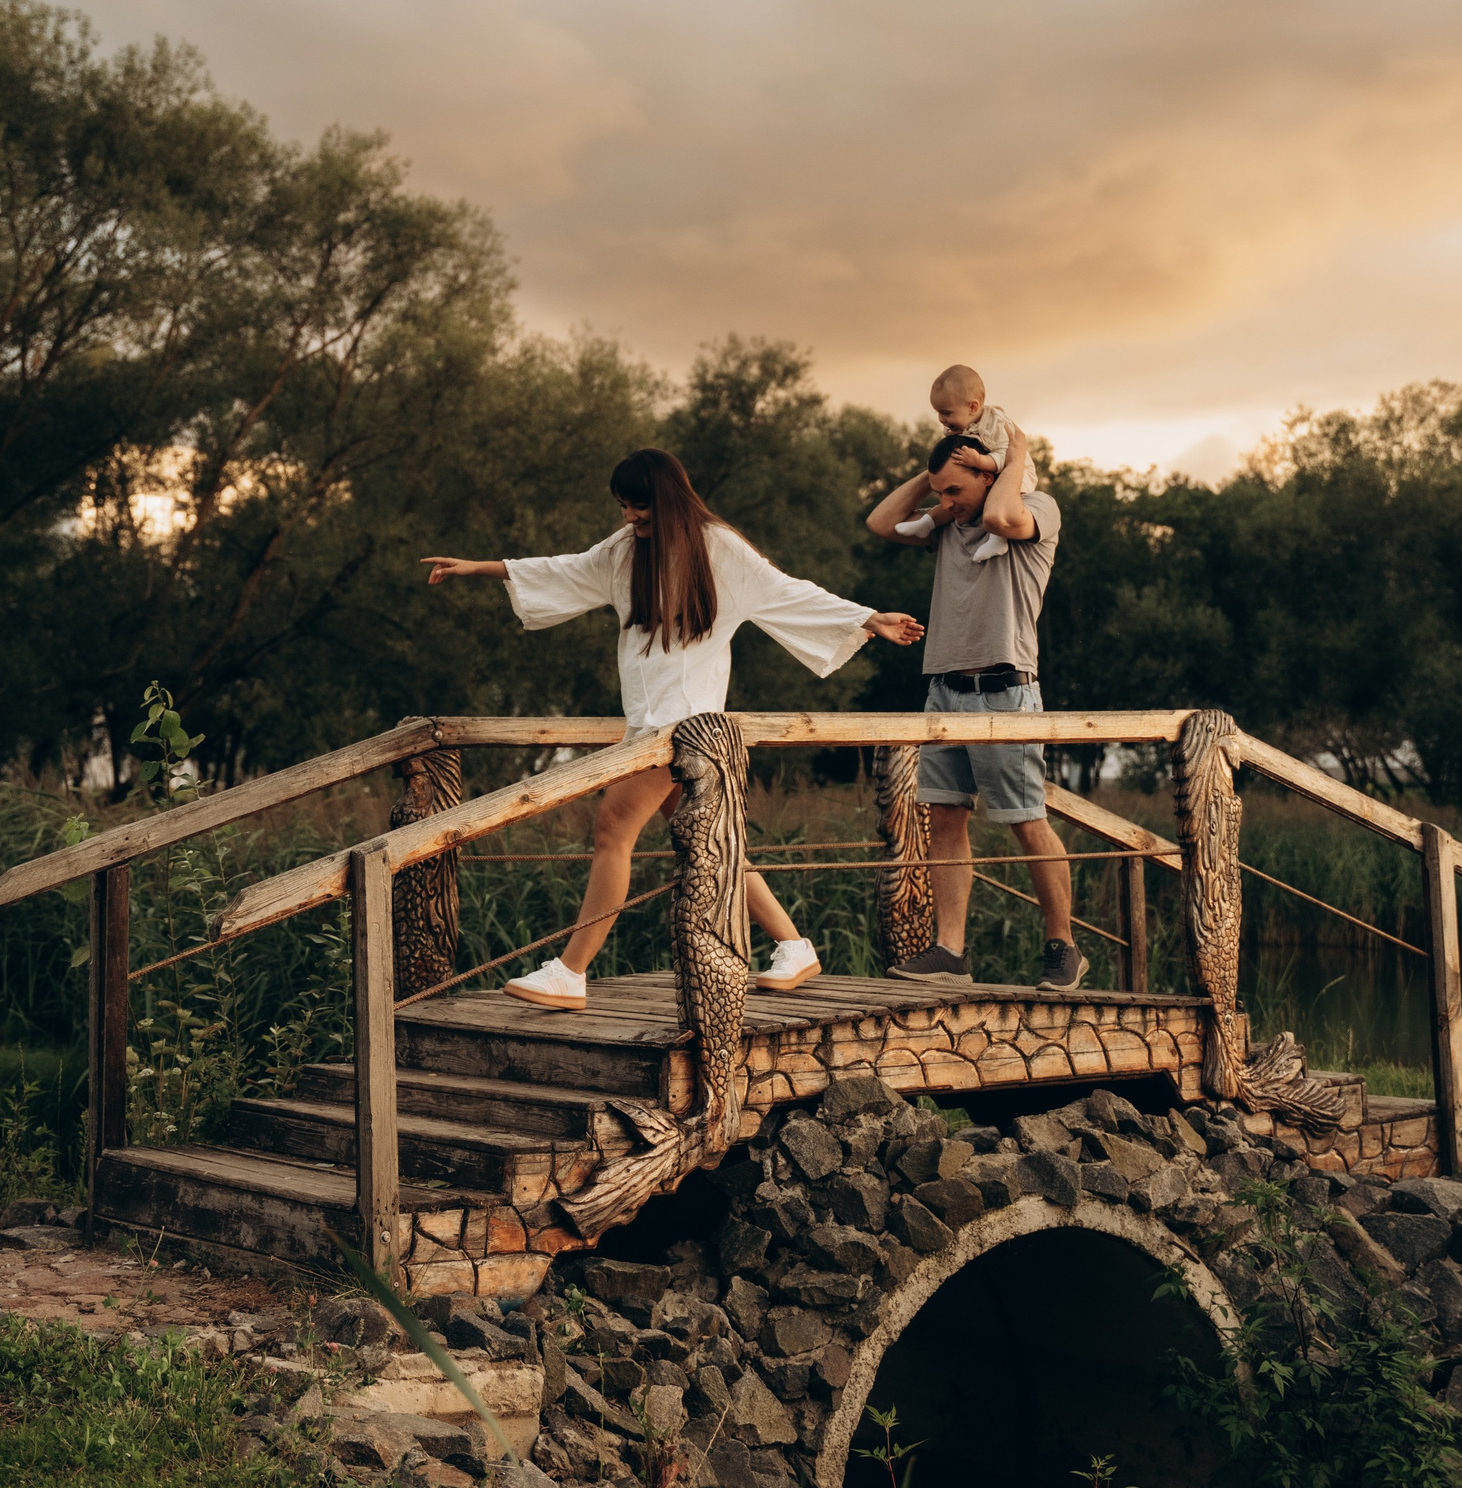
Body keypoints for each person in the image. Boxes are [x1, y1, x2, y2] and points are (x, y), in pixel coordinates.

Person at [422, 448, 924, 1011]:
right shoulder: (623, 551)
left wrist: (868, 616)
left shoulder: (718, 548)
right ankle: (795, 945)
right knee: (712, 844)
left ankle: (570, 971)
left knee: (612, 831)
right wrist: (476, 568)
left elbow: (788, 591)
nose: (631, 519)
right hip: (648, 725)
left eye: (641, 508)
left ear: (669, 500)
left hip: (684, 729)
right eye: (624, 508)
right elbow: (561, 568)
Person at [866, 412, 1082, 989]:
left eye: (957, 491)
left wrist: (1008, 460)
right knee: (945, 818)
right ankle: (950, 953)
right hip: (943, 690)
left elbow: (999, 513)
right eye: (943, 494)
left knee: (1025, 820)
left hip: (1006, 692)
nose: (948, 503)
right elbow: (882, 521)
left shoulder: (1036, 509)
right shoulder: (951, 523)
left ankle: (1063, 946)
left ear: (990, 478)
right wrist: (938, 471)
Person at [891, 364, 1012, 545]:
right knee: (947, 506)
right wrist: (945, 470)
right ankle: (927, 523)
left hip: (1012, 479)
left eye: (946, 413)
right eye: (938, 412)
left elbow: (1007, 458)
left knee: (1000, 504)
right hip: (988, 474)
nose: (941, 419)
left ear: (972, 407)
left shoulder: (997, 425)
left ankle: (997, 538)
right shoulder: (963, 427)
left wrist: (979, 460)